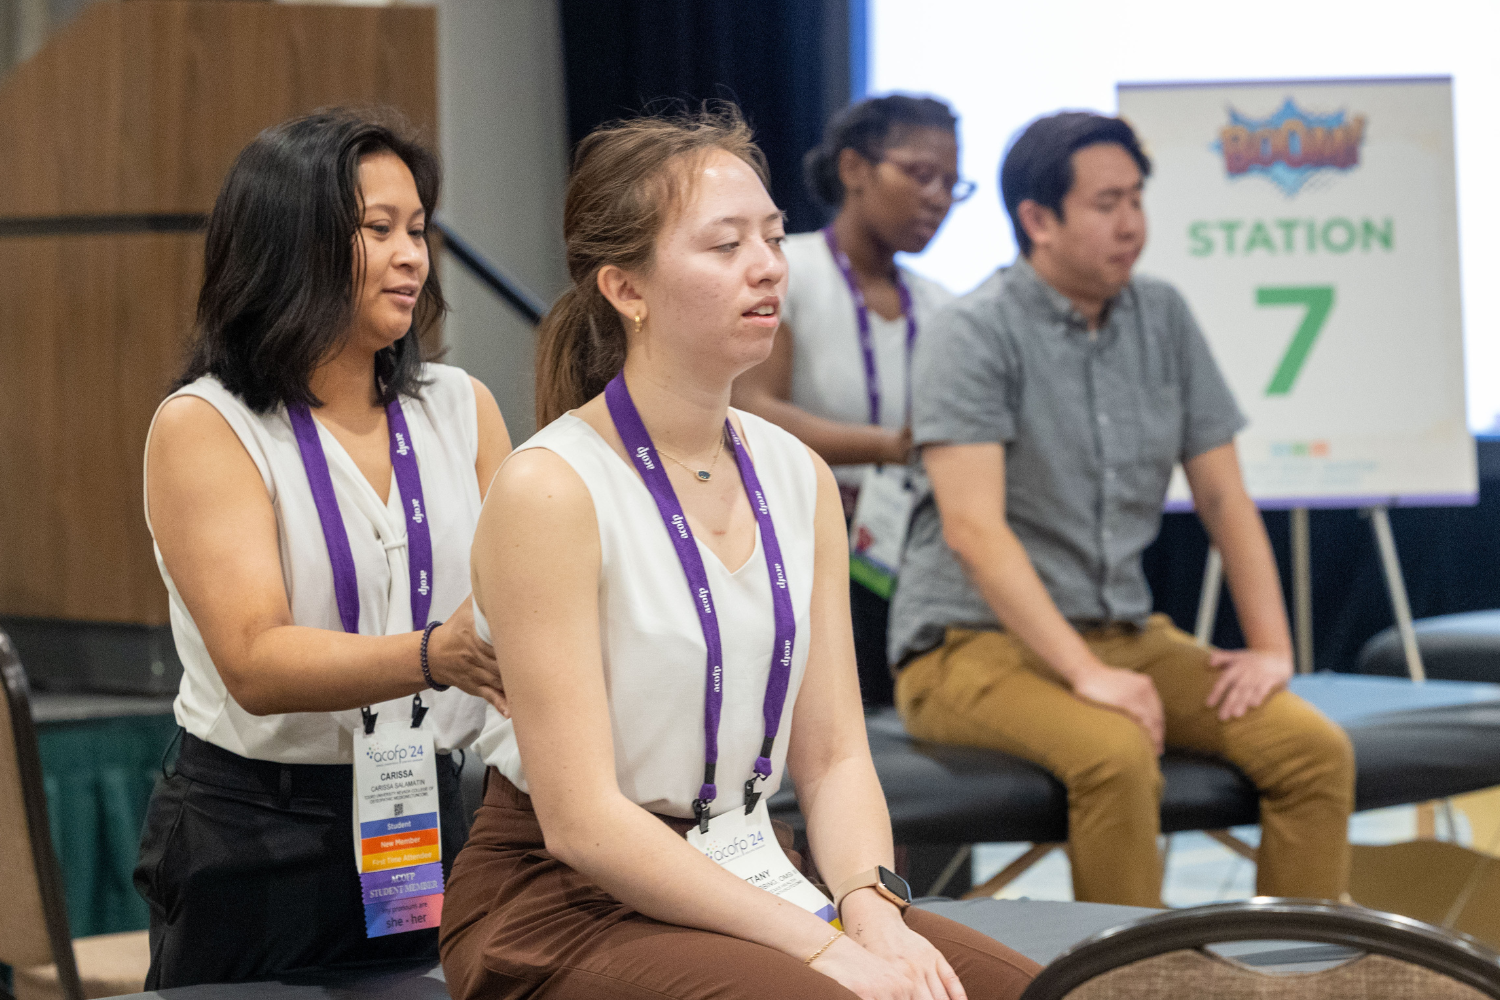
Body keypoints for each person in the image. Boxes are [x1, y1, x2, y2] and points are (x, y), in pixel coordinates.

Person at [440, 107, 1038, 1000]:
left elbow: (834, 757)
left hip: (754, 864)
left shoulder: (795, 472)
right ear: (625, 289)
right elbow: (582, 823)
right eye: (725, 246)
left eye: (772, 237)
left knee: (1062, 989)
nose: (766, 266)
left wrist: (869, 907)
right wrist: (826, 950)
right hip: (567, 903)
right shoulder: (552, 488)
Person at [889, 111, 1355, 908]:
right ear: (1038, 219)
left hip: (1124, 635)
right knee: (1112, 751)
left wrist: (1274, 651)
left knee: (1312, 749)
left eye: (1137, 199)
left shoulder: (1162, 316)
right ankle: (1133, 983)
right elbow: (972, 528)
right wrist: (1086, 674)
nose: (1132, 224)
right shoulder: (973, 331)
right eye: (1107, 204)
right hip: (968, 647)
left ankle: (1298, 979)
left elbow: (1221, 495)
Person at [134, 109, 511, 987]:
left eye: (418, 229)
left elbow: (517, 607)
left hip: (431, 808)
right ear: (289, 242)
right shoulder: (209, 424)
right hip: (259, 831)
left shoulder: (461, 407)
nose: (413, 255)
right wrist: (435, 654)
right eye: (379, 230)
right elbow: (257, 659)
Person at [734, 95, 967, 707]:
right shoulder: (787, 273)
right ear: (854, 169)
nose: (938, 197)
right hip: (799, 546)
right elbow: (752, 409)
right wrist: (893, 447)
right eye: (920, 173)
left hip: (911, 556)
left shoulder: (944, 304)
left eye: (951, 182)